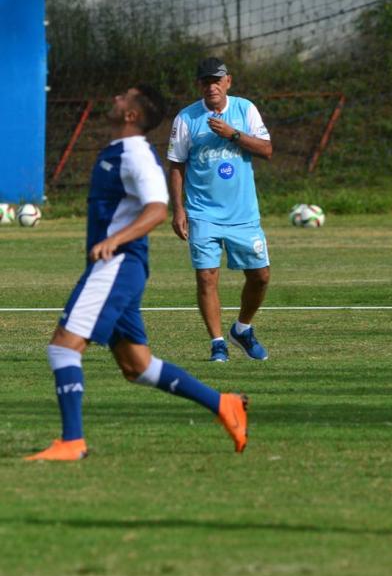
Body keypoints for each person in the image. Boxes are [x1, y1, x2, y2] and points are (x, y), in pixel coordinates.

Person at [25, 85, 248, 461]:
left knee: (63, 347)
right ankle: (224, 404)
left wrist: (116, 241)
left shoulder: (137, 155)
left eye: (123, 97)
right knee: (137, 366)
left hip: (116, 266)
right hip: (121, 269)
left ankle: (72, 441)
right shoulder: (116, 151)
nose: (114, 97)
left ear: (131, 115)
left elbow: (157, 208)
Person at [168, 57, 273, 362]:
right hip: (203, 212)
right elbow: (176, 165)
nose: (211, 86)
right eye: (205, 81)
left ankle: (242, 329)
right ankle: (217, 344)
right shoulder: (187, 118)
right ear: (198, 85)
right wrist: (179, 210)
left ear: (228, 81)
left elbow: (267, 150)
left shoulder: (245, 109)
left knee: (261, 277)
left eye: (217, 80)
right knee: (206, 277)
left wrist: (233, 134)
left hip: (243, 214)